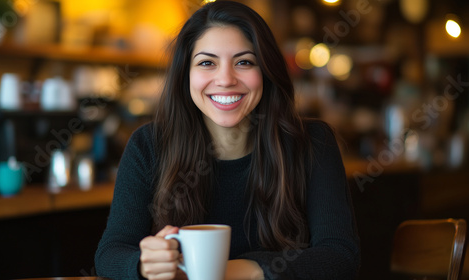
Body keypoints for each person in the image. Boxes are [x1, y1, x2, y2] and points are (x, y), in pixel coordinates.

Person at [95, 1, 360, 279]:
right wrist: (143, 264)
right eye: (207, 63)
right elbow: (110, 253)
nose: (225, 79)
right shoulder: (148, 145)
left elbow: (340, 256)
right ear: (185, 74)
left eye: (244, 62)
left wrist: (228, 272)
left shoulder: (313, 143)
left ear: (266, 72)